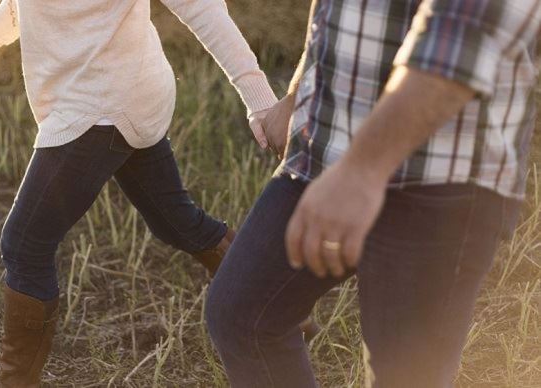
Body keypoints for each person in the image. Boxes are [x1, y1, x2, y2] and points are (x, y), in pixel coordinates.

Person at [0, 1, 279, 386]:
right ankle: (280, 311)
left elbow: (201, 7)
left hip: (100, 105)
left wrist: (260, 99)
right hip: (123, 92)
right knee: (176, 223)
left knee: (24, 244)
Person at [206, 0, 540, 386]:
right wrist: (300, 90)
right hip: (329, 148)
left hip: (440, 176)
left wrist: (362, 171)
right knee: (243, 315)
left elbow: (462, 42)